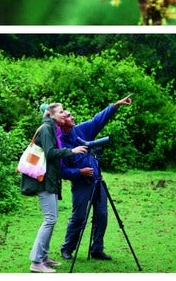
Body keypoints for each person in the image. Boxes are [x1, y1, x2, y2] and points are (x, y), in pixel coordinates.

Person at [57, 96, 133, 261]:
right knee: (78, 217)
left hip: (97, 181)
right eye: (68, 116)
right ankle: (67, 248)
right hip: (81, 184)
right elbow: (61, 171)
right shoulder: (60, 143)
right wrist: (79, 172)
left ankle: (97, 249)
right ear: (61, 122)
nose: (72, 118)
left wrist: (115, 105)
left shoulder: (82, 130)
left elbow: (98, 119)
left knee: (102, 215)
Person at [24, 103, 88, 273]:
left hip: (51, 180)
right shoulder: (46, 128)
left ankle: (43, 257)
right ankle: (36, 261)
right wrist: (71, 151)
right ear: (51, 115)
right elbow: (50, 153)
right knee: (50, 219)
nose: (63, 114)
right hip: (44, 180)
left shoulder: (53, 129)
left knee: (51, 219)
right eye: (60, 112)